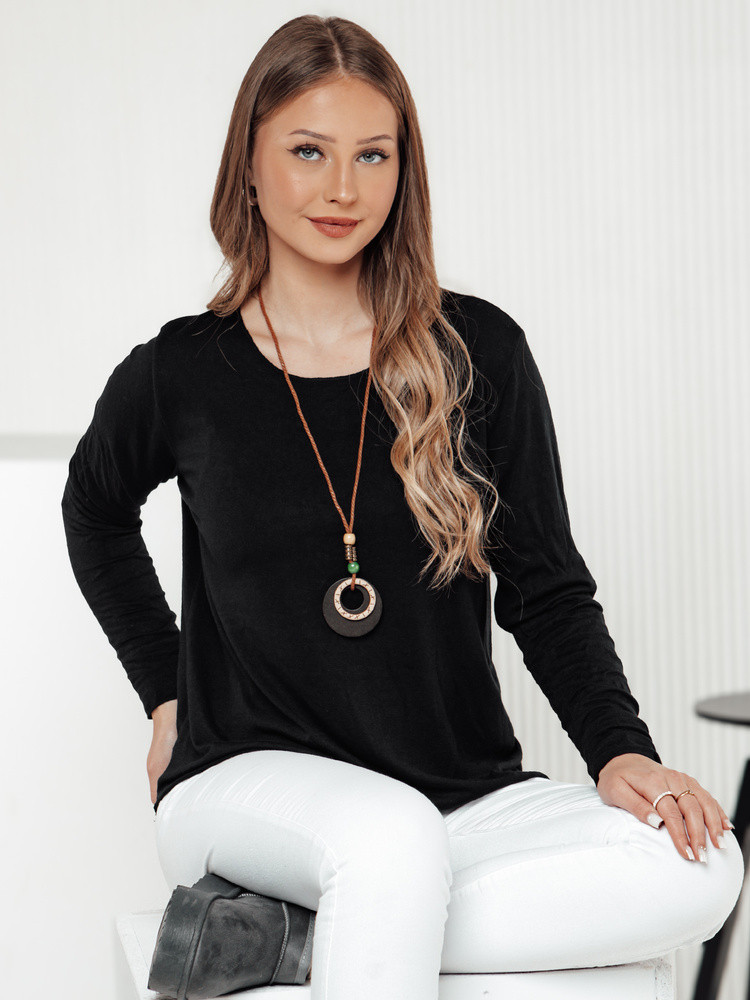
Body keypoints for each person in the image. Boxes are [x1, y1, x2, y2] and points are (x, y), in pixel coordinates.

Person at [60, 14, 744, 1000]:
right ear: (248, 166)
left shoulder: (480, 353)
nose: (343, 188)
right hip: (245, 782)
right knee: (386, 842)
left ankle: (306, 934)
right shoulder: (181, 372)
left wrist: (621, 750)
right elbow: (92, 510)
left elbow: (547, 589)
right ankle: (374, 899)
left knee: (702, 865)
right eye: (308, 151)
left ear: (402, 171)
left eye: (373, 155)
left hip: (463, 796)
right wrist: (166, 693)